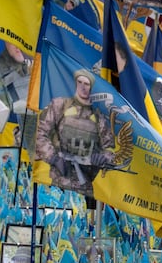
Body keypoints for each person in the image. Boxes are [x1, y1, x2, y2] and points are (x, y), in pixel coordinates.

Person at [34, 69, 116, 197]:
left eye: (87, 84)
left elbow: (110, 149)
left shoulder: (99, 117)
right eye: (80, 82)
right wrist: (53, 158)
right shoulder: (59, 106)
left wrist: (103, 157)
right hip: (58, 184)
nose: (83, 87)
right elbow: (40, 133)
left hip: (87, 186)